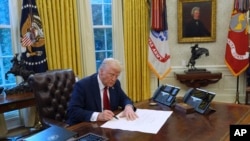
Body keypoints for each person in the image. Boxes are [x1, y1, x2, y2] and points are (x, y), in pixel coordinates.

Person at [66, 58, 138, 125]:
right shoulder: (83, 85)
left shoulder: (116, 84)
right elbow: (73, 111)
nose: (114, 79)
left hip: (110, 124)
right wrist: (98, 115)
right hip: (88, 126)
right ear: (101, 72)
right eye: (112, 75)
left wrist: (128, 107)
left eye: (117, 76)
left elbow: (124, 99)